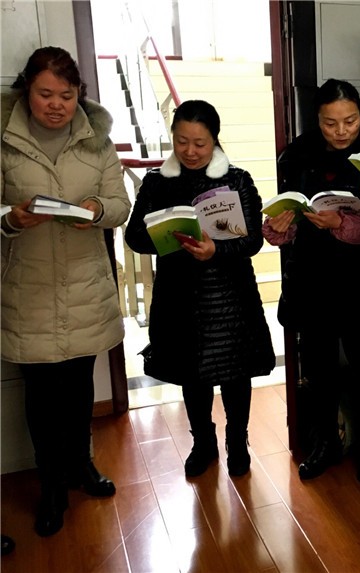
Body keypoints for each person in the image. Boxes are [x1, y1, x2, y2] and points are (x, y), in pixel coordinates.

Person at [1, 46, 131, 537]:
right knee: (41, 398)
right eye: (45, 94)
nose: (56, 104)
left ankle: (81, 466)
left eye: (67, 94)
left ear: (79, 94)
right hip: (27, 288)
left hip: (84, 285)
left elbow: (119, 203)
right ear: (26, 92)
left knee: (78, 389)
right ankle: (51, 487)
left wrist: (96, 209)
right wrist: (13, 218)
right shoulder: (4, 139)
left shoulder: (97, 141)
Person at [125, 100, 275, 479]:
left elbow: (253, 240)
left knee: (235, 374)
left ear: (215, 140)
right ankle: (203, 442)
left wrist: (216, 250)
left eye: (200, 143)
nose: (190, 151)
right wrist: (167, 236)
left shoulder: (237, 180)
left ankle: (237, 441)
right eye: (181, 141)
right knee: (192, 376)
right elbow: (134, 236)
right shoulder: (157, 182)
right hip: (179, 296)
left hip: (229, 297)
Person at [262, 79, 360, 484]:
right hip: (311, 274)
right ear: (316, 120)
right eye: (329, 123)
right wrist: (280, 226)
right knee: (318, 367)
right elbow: (287, 217)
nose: (340, 131)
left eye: (350, 121)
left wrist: (341, 223)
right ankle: (326, 443)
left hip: (359, 275)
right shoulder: (297, 154)